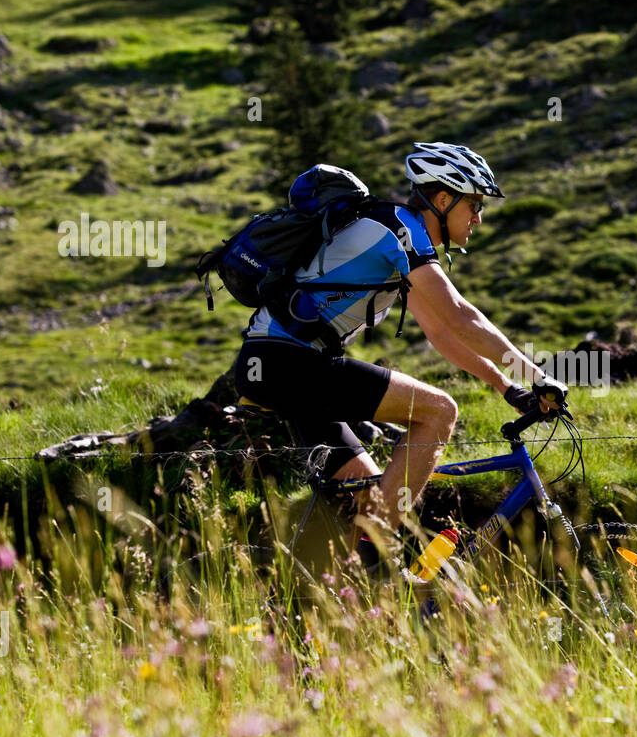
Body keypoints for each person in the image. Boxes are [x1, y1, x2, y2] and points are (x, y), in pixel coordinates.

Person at [233, 141, 560, 574]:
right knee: (439, 412)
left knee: (370, 493)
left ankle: (328, 597)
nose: (478, 218)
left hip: (278, 367)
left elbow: (441, 331)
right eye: (474, 205)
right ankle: (379, 566)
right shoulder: (397, 229)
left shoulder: (403, 238)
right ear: (443, 199)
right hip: (289, 363)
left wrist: (508, 387)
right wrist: (537, 375)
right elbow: (460, 316)